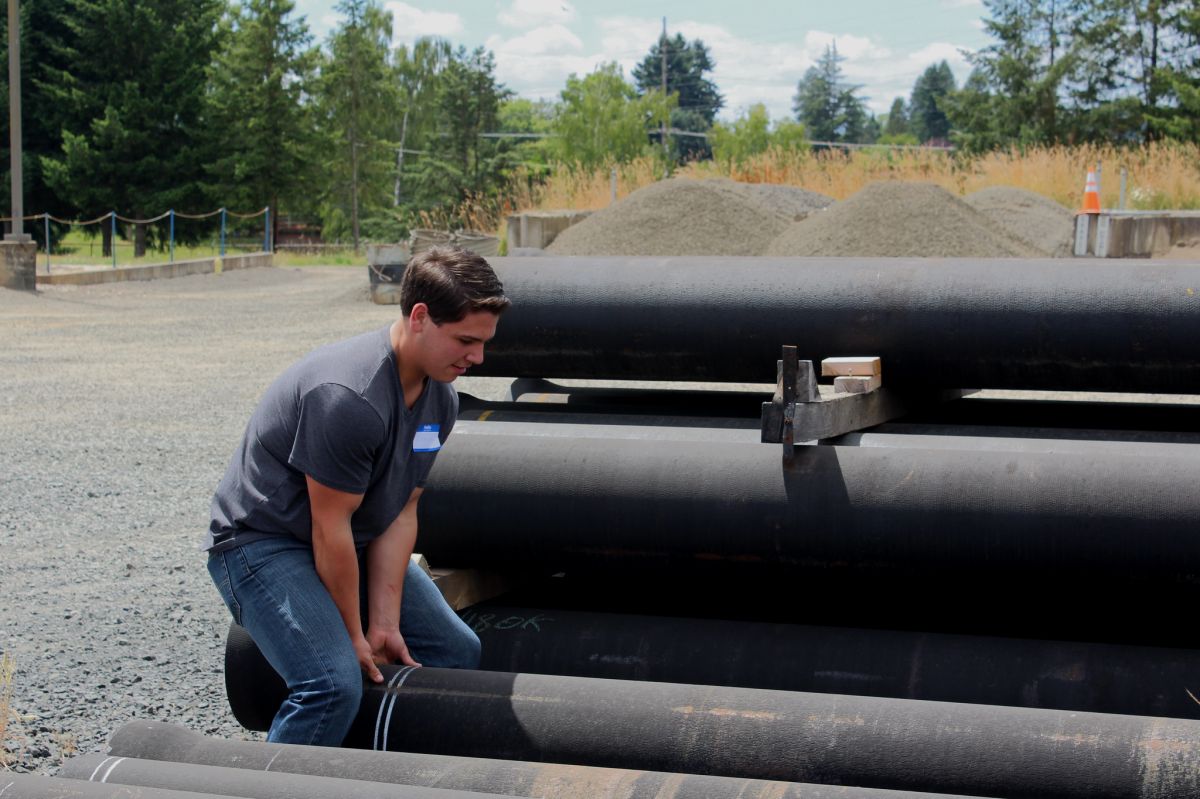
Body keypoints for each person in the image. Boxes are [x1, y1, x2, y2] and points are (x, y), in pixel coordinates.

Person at [204, 246, 510, 746]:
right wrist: (352, 633)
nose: (477, 358)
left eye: (483, 343)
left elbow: (400, 512)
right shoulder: (348, 395)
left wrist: (385, 624)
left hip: (354, 541)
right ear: (418, 317)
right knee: (330, 685)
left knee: (456, 653)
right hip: (263, 545)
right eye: (465, 341)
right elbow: (330, 529)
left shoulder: (440, 398)